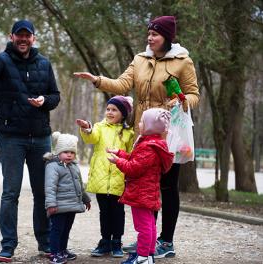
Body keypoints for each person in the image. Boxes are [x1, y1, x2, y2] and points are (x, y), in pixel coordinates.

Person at [74, 16, 199, 258]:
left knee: (168, 186)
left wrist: (182, 101)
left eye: (155, 34)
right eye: (149, 34)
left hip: (168, 131)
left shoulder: (183, 61)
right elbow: (122, 84)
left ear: (167, 37)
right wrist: (97, 80)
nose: (149, 38)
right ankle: (148, 238)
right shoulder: (140, 60)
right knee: (146, 185)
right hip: (143, 131)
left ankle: (166, 241)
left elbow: (194, 94)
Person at [0, 19, 60, 262]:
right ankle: (8, 245)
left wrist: (44, 101)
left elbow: (55, 95)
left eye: (28, 36)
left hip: (40, 138)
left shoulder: (44, 63)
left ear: (34, 39)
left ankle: (46, 242)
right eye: (19, 35)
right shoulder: (3, 60)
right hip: (11, 138)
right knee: (10, 193)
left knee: (42, 193)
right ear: (12, 37)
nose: (23, 39)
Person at [107, 108, 174, 264]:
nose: (139, 123)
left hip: (141, 193)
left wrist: (117, 162)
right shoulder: (152, 143)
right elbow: (136, 159)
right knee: (150, 224)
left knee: (143, 227)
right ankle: (148, 256)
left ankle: (143, 257)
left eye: (142, 121)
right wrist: (119, 152)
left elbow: (133, 168)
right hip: (148, 192)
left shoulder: (148, 147)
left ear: (150, 126)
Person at [75, 95, 134, 258]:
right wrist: (87, 128)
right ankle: (105, 241)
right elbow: (91, 137)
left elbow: (130, 155)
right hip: (100, 178)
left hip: (119, 178)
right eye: (108, 109)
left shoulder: (129, 132)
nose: (109, 112)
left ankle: (117, 242)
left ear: (123, 113)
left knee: (118, 211)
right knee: (104, 212)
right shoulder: (100, 127)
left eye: (114, 110)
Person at [44, 131, 91, 264]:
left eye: (72, 152)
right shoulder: (53, 166)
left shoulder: (74, 166)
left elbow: (79, 185)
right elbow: (50, 187)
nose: (69, 154)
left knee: (66, 229)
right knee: (57, 229)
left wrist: (85, 198)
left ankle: (63, 250)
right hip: (58, 206)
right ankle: (54, 253)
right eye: (66, 152)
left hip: (71, 204)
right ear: (58, 152)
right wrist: (51, 204)